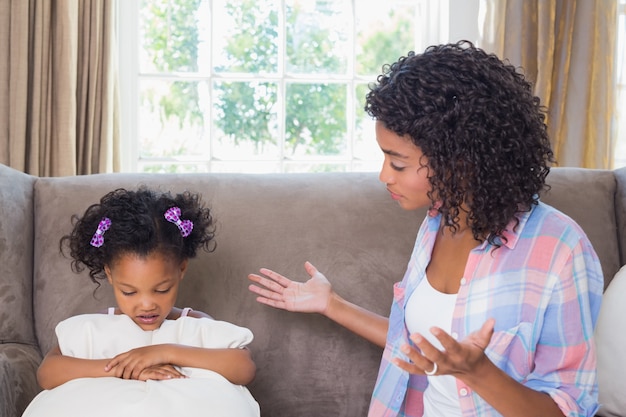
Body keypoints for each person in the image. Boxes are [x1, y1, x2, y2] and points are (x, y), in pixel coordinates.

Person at [248, 41, 603, 417]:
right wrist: (330, 305)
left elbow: (569, 408)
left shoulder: (560, 249)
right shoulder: (438, 221)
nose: (384, 176)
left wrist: (478, 372)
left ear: (461, 160)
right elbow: (419, 346)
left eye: (397, 164)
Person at [24, 187, 260, 417]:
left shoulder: (192, 323)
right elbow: (48, 373)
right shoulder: (98, 328)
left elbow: (244, 367)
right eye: (129, 292)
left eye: (161, 290)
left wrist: (162, 352)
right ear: (110, 275)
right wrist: (127, 369)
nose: (146, 304)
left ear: (181, 269)